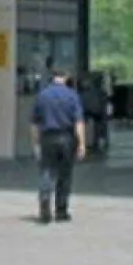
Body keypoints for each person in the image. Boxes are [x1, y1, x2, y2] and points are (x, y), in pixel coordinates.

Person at [30, 68, 87, 225]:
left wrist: (35, 143)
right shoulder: (72, 95)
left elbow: (34, 123)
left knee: (46, 172)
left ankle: (44, 207)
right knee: (65, 175)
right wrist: (82, 143)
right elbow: (79, 122)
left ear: (52, 77)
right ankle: (61, 211)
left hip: (48, 138)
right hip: (66, 138)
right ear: (66, 77)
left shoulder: (42, 96)